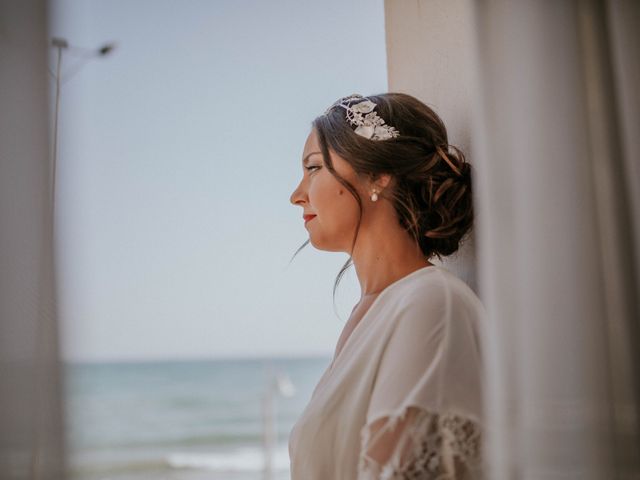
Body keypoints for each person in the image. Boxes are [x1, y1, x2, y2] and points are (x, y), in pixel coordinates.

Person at [288, 93, 485, 479]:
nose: (297, 195)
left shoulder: (430, 305)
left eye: (313, 168)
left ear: (378, 175)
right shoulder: (372, 313)